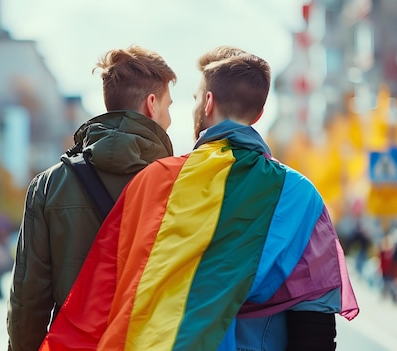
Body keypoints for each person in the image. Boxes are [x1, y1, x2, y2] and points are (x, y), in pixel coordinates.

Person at [39, 46, 359, 351]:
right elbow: (315, 324)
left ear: (207, 103)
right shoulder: (301, 196)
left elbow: (116, 292)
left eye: (193, 99)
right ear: (260, 113)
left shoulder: (157, 183)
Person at [6, 45, 177, 351]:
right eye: (168, 106)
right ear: (152, 104)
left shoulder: (48, 186)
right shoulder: (177, 185)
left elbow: (28, 300)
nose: (170, 120)